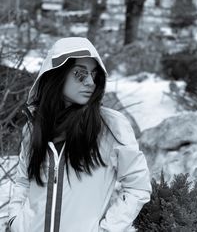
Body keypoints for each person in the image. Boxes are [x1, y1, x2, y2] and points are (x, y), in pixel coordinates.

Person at [8, 37, 152, 232]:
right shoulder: (34, 126)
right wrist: (15, 221)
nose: (90, 82)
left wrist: (108, 229)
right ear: (56, 75)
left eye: (94, 75)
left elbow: (137, 188)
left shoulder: (111, 126)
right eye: (80, 74)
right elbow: (24, 181)